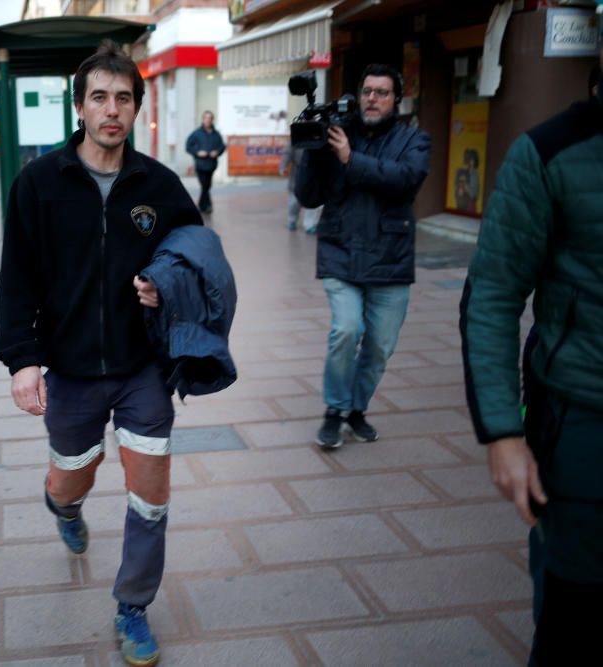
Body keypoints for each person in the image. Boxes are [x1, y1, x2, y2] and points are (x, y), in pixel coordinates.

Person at [0, 41, 202, 667]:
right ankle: (64, 504)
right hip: (73, 370)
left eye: (124, 98)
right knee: (72, 474)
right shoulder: (39, 184)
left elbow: (197, 261)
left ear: (137, 107)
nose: (113, 110)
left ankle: (133, 606)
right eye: (101, 98)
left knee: (151, 493)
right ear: (79, 105)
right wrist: (22, 360)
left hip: (142, 369)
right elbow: (17, 278)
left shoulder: (161, 187)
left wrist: (165, 287)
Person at [460, 46, 603, 666]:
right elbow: (491, 296)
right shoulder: (550, 152)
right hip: (581, 421)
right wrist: (502, 432)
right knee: (574, 611)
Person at [295, 64, 431, 449]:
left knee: (380, 347)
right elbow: (308, 197)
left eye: (382, 92)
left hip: (391, 258)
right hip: (341, 252)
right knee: (346, 330)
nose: (373, 98)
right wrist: (314, 150)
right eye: (368, 91)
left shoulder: (414, 140)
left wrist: (349, 158)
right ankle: (335, 410)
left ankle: (356, 409)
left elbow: (404, 180)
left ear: (395, 99)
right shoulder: (338, 132)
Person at [185, 111, 225, 214]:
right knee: (205, 186)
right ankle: (207, 206)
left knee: (206, 186)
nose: (207, 120)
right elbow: (188, 146)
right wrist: (197, 152)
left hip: (212, 165)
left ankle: (202, 205)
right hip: (201, 165)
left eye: (210, 118)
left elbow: (222, 146)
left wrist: (217, 152)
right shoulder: (197, 133)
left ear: (212, 120)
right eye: (206, 118)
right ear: (203, 119)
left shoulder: (216, 134)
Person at [279, 143, 320, 233]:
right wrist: (283, 168)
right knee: (294, 203)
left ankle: (309, 224)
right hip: (296, 177)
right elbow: (287, 154)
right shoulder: (295, 142)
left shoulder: (318, 139)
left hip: (314, 177)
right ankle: (292, 220)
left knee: (313, 202)